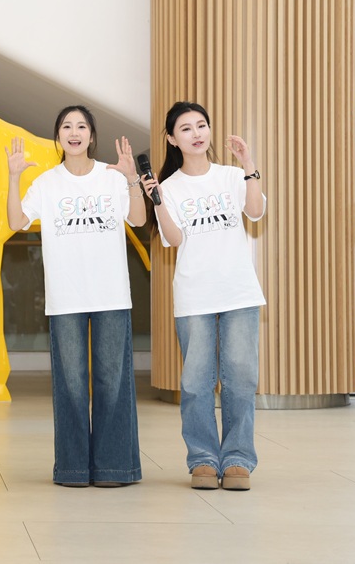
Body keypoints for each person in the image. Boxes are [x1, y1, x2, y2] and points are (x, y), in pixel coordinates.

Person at [6, 105, 145, 488]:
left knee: (112, 382)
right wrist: (14, 178)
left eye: (81, 126)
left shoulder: (111, 177)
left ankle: (114, 467)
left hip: (111, 295)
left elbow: (137, 219)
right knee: (70, 384)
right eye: (66, 126)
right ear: (58, 137)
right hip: (65, 297)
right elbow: (16, 221)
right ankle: (72, 468)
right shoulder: (47, 183)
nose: (74, 132)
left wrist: (131, 179)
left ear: (91, 136)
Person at [140, 101, 265, 491]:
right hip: (195, 294)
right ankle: (203, 460)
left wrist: (248, 164)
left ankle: (238, 458)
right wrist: (158, 201)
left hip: (239, 292)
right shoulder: (170, 187)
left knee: (240, 378)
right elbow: (174, 239)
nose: (196, 134)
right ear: (171, 139)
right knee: (196, 382)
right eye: (186, 128)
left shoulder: (231, 175)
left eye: (201, 125)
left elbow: (255, 212)